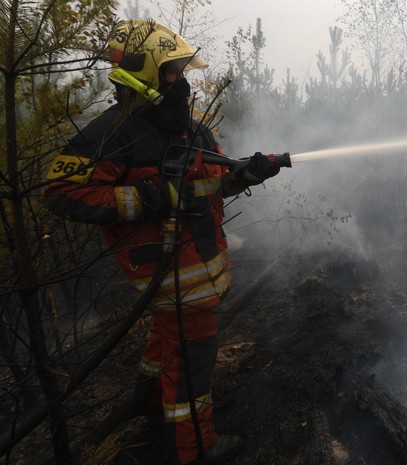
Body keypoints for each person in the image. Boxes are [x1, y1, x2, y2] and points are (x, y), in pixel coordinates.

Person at [44, 19, 281, 465]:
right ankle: (197, 450)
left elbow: (210, 185)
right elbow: (62, 194)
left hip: (197, 268)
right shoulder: (113, 133)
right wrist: (146, 198)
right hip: (168, 276)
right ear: (148, 74)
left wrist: (247, 173)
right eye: (174, 72)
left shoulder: (188, 129)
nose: (183, 81)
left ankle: (148, 403)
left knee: (166, 342)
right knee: (193, 369)